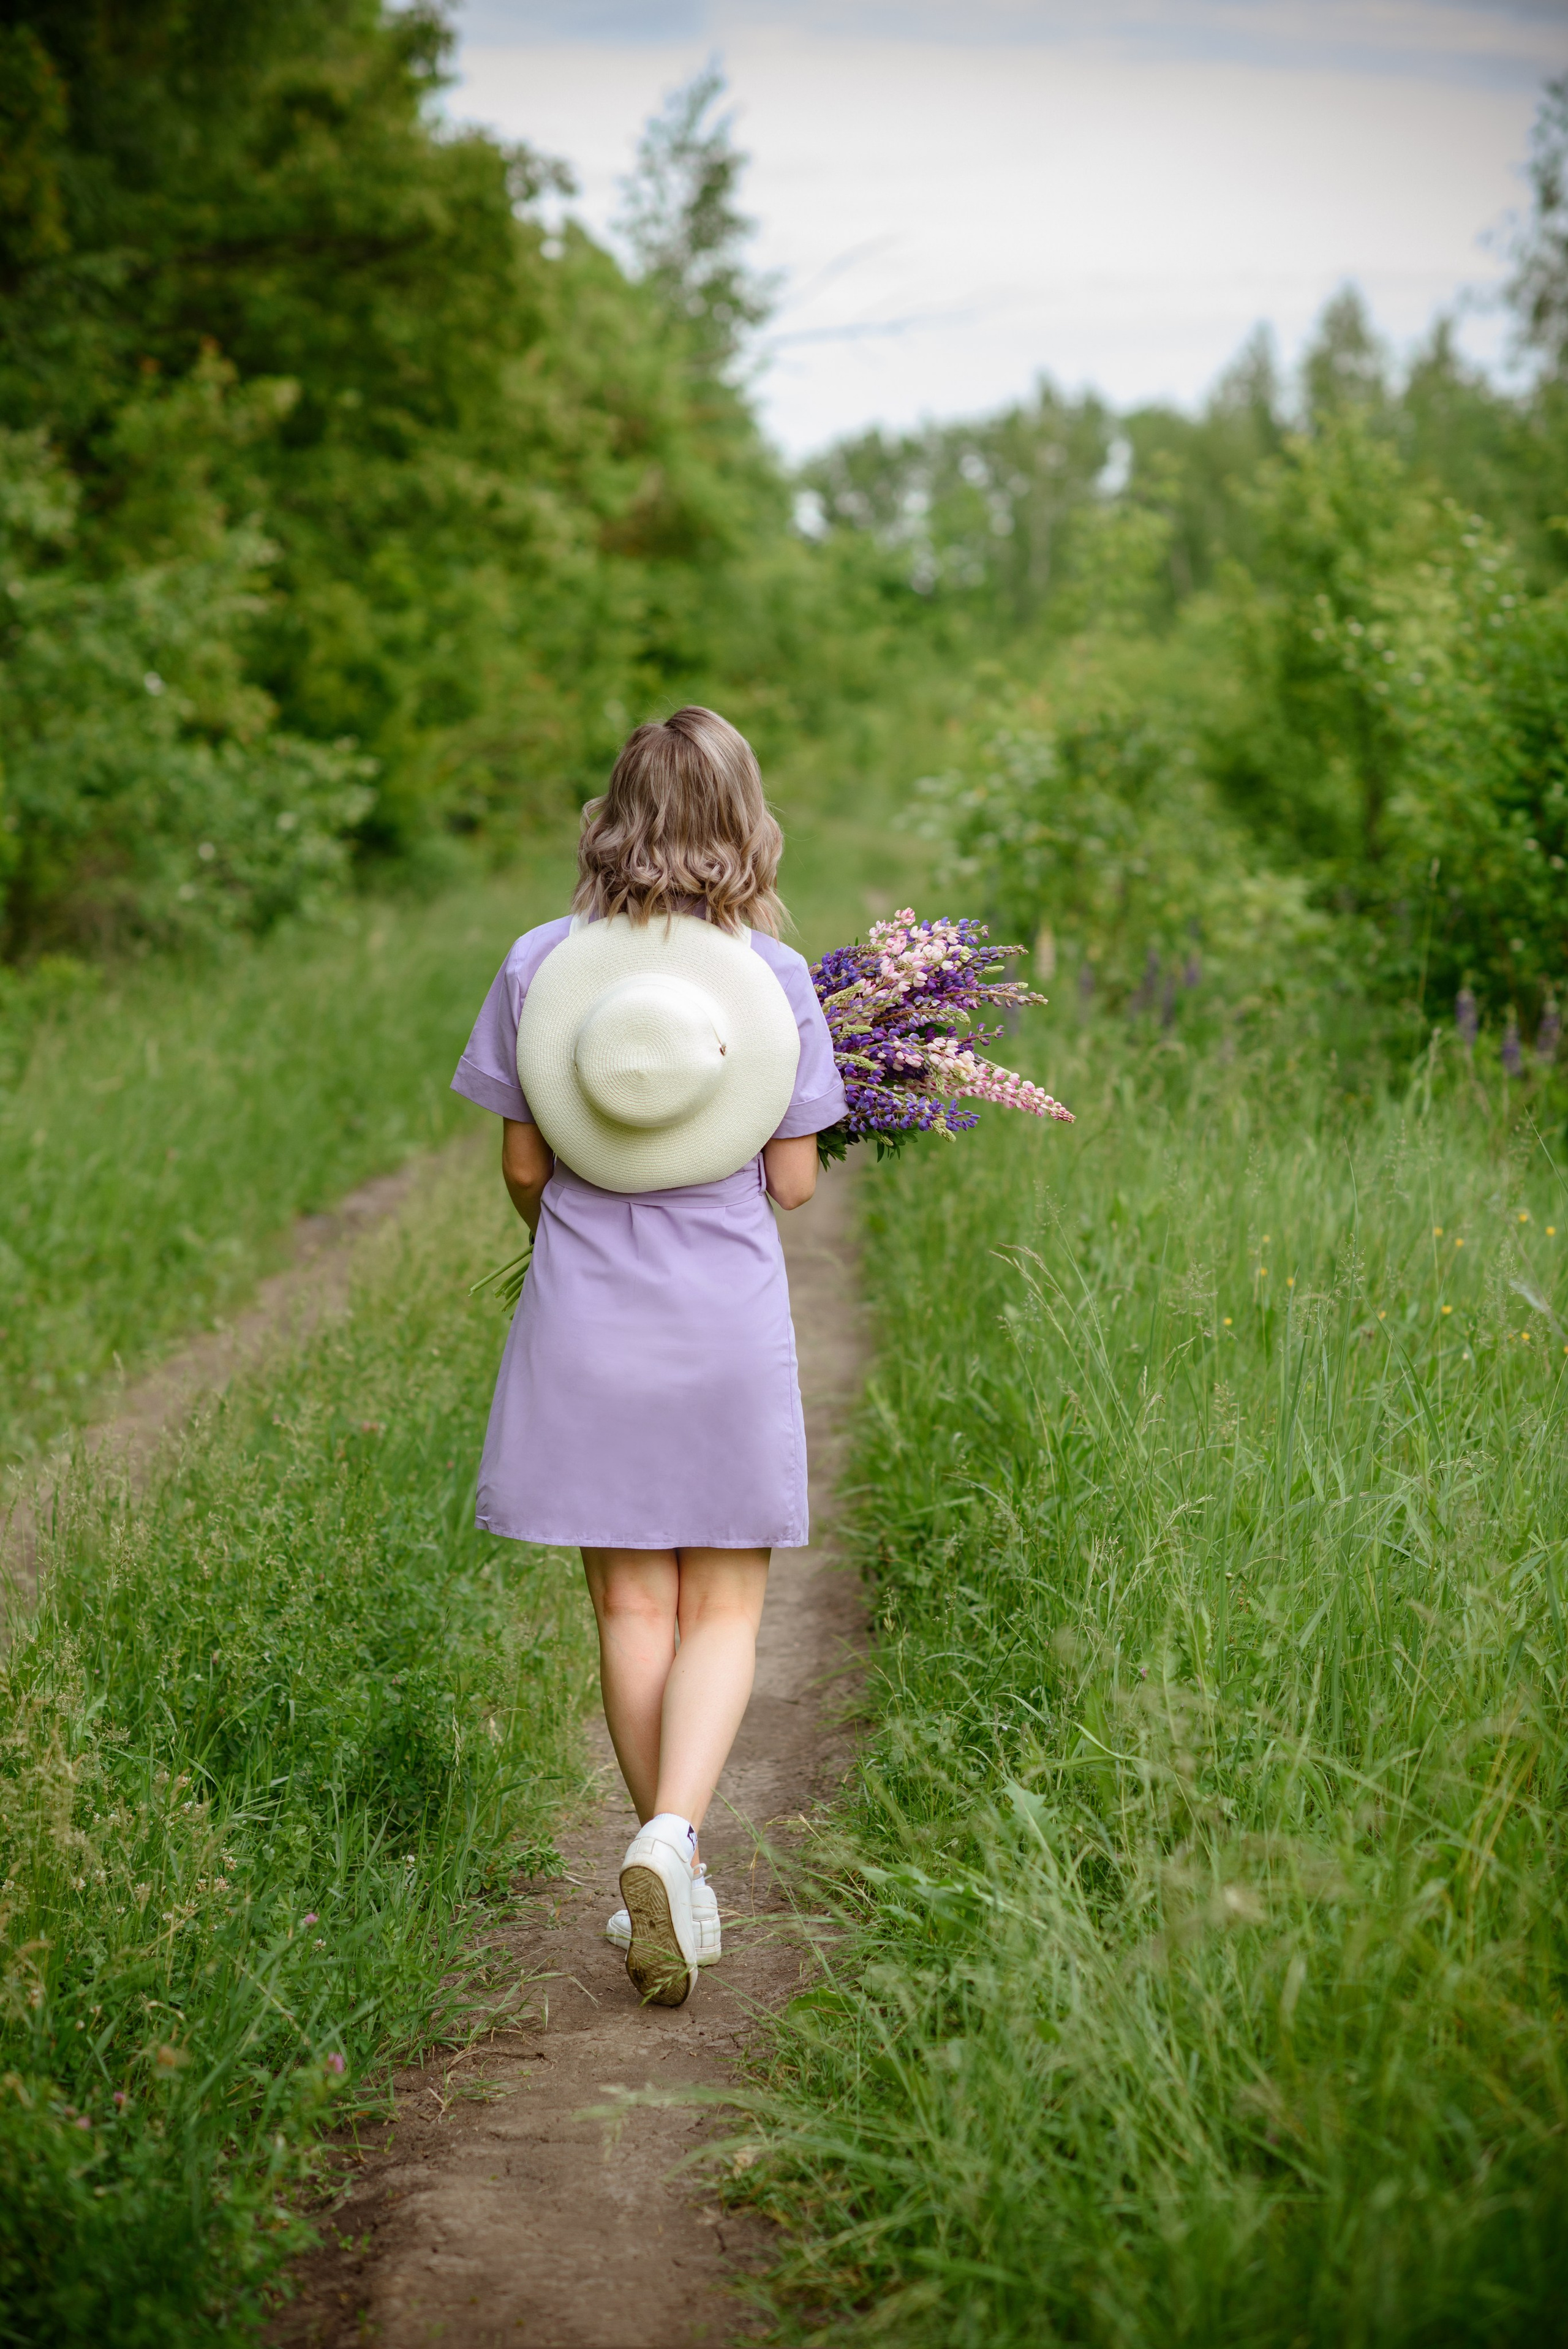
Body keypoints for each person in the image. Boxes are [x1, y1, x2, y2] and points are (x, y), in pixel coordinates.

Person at [451, 707, 847, 2007]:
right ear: (744, 820)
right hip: (720, 1318)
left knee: (630, 1608)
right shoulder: (773, 980)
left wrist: (561, 1228)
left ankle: (662, 1863)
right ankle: (672, 1843)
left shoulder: (538, 961)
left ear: (610, 815)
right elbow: (791, 1183)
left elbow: (524, 1165)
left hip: (585, 1315)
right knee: (724, 1608)